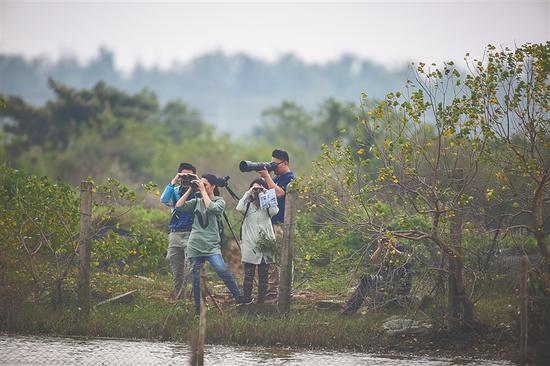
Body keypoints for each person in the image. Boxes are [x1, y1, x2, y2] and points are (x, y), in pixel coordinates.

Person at [175, 173, 249, 312]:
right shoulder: (196, 202)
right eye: (201, 184)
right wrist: (191, 189)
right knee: (196, 278)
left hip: (211, 246)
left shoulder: (219, 201)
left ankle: (238, 297)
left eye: (205, 184)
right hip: (195, 245)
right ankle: (198, 307)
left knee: (221, 270)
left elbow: (212, 209)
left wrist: (203, 191)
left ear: (213, 186)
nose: (202, 186)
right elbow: (178, 206)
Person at [258, 149, 296, 296]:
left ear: (285, 163)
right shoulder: (277, 179)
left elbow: (280, 193)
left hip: (282, 223)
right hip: (271, 222)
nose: (273, 167)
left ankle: (283, 288)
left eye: (275, 164)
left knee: (281, 257)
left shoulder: (291, 178)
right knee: (271, 256)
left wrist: (267, 177)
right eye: (271, 164)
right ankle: (272, 288)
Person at [341, 235, 412, 314]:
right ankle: (350, 310)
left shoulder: (401, 248)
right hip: (387, 281)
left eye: (389, 238)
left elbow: (404, 257)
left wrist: (390, 247)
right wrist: (379, 248)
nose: (387, 241)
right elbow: (373, 261)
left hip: (400, 284)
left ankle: (349, 310)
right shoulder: (387, 251)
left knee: (367, 280)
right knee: (366, 280)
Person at [236, 178, 279, 304]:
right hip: (250, 244)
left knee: (263, 275)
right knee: (248, 275)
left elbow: (275, 211)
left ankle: (260, 300)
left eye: (260, 188)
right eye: (255, 188)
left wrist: (267, 193)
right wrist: (249, 192)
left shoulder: (267, 206)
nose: (258, 191)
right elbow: (239, 208)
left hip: (266, 243)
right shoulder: (247, 205)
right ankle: (247, 299)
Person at [160, 162, 197, 301]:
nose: (186, 179)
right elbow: (163, 199)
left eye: (190, 176)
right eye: (184, 176)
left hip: (191, 233)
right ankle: (180, 303)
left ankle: (195, 301)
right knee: (177, 272)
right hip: (175, 233)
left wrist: (198, 182)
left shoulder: (198, 191)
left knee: (191, 269)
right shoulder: (175, 191)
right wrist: (175, 180)